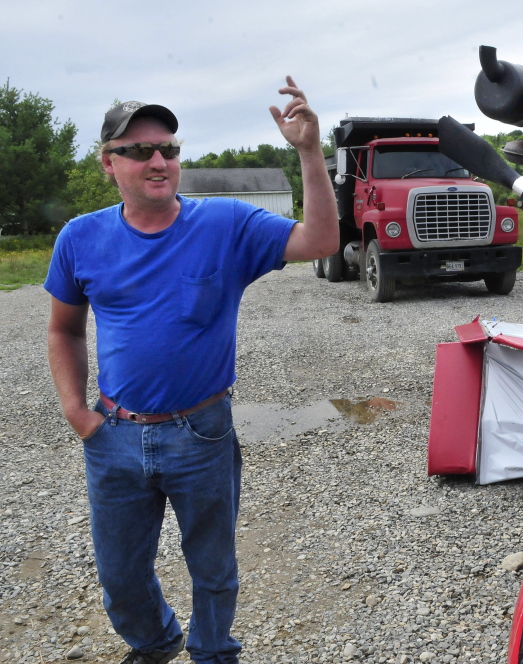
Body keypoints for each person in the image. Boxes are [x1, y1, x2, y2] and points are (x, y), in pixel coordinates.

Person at [44, 76, 338, 664]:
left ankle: (212, 652)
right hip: (114, 436)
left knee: (213, 568)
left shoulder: (226, 224)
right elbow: (63, 329)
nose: (159, 161)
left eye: (169, 149)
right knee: (121, 577)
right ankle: (155, 642)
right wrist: (78, 414)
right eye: (139, 151)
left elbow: (321, 240)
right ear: (108, 163)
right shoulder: (81, 237)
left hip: (200, 432)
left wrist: (309, 151)